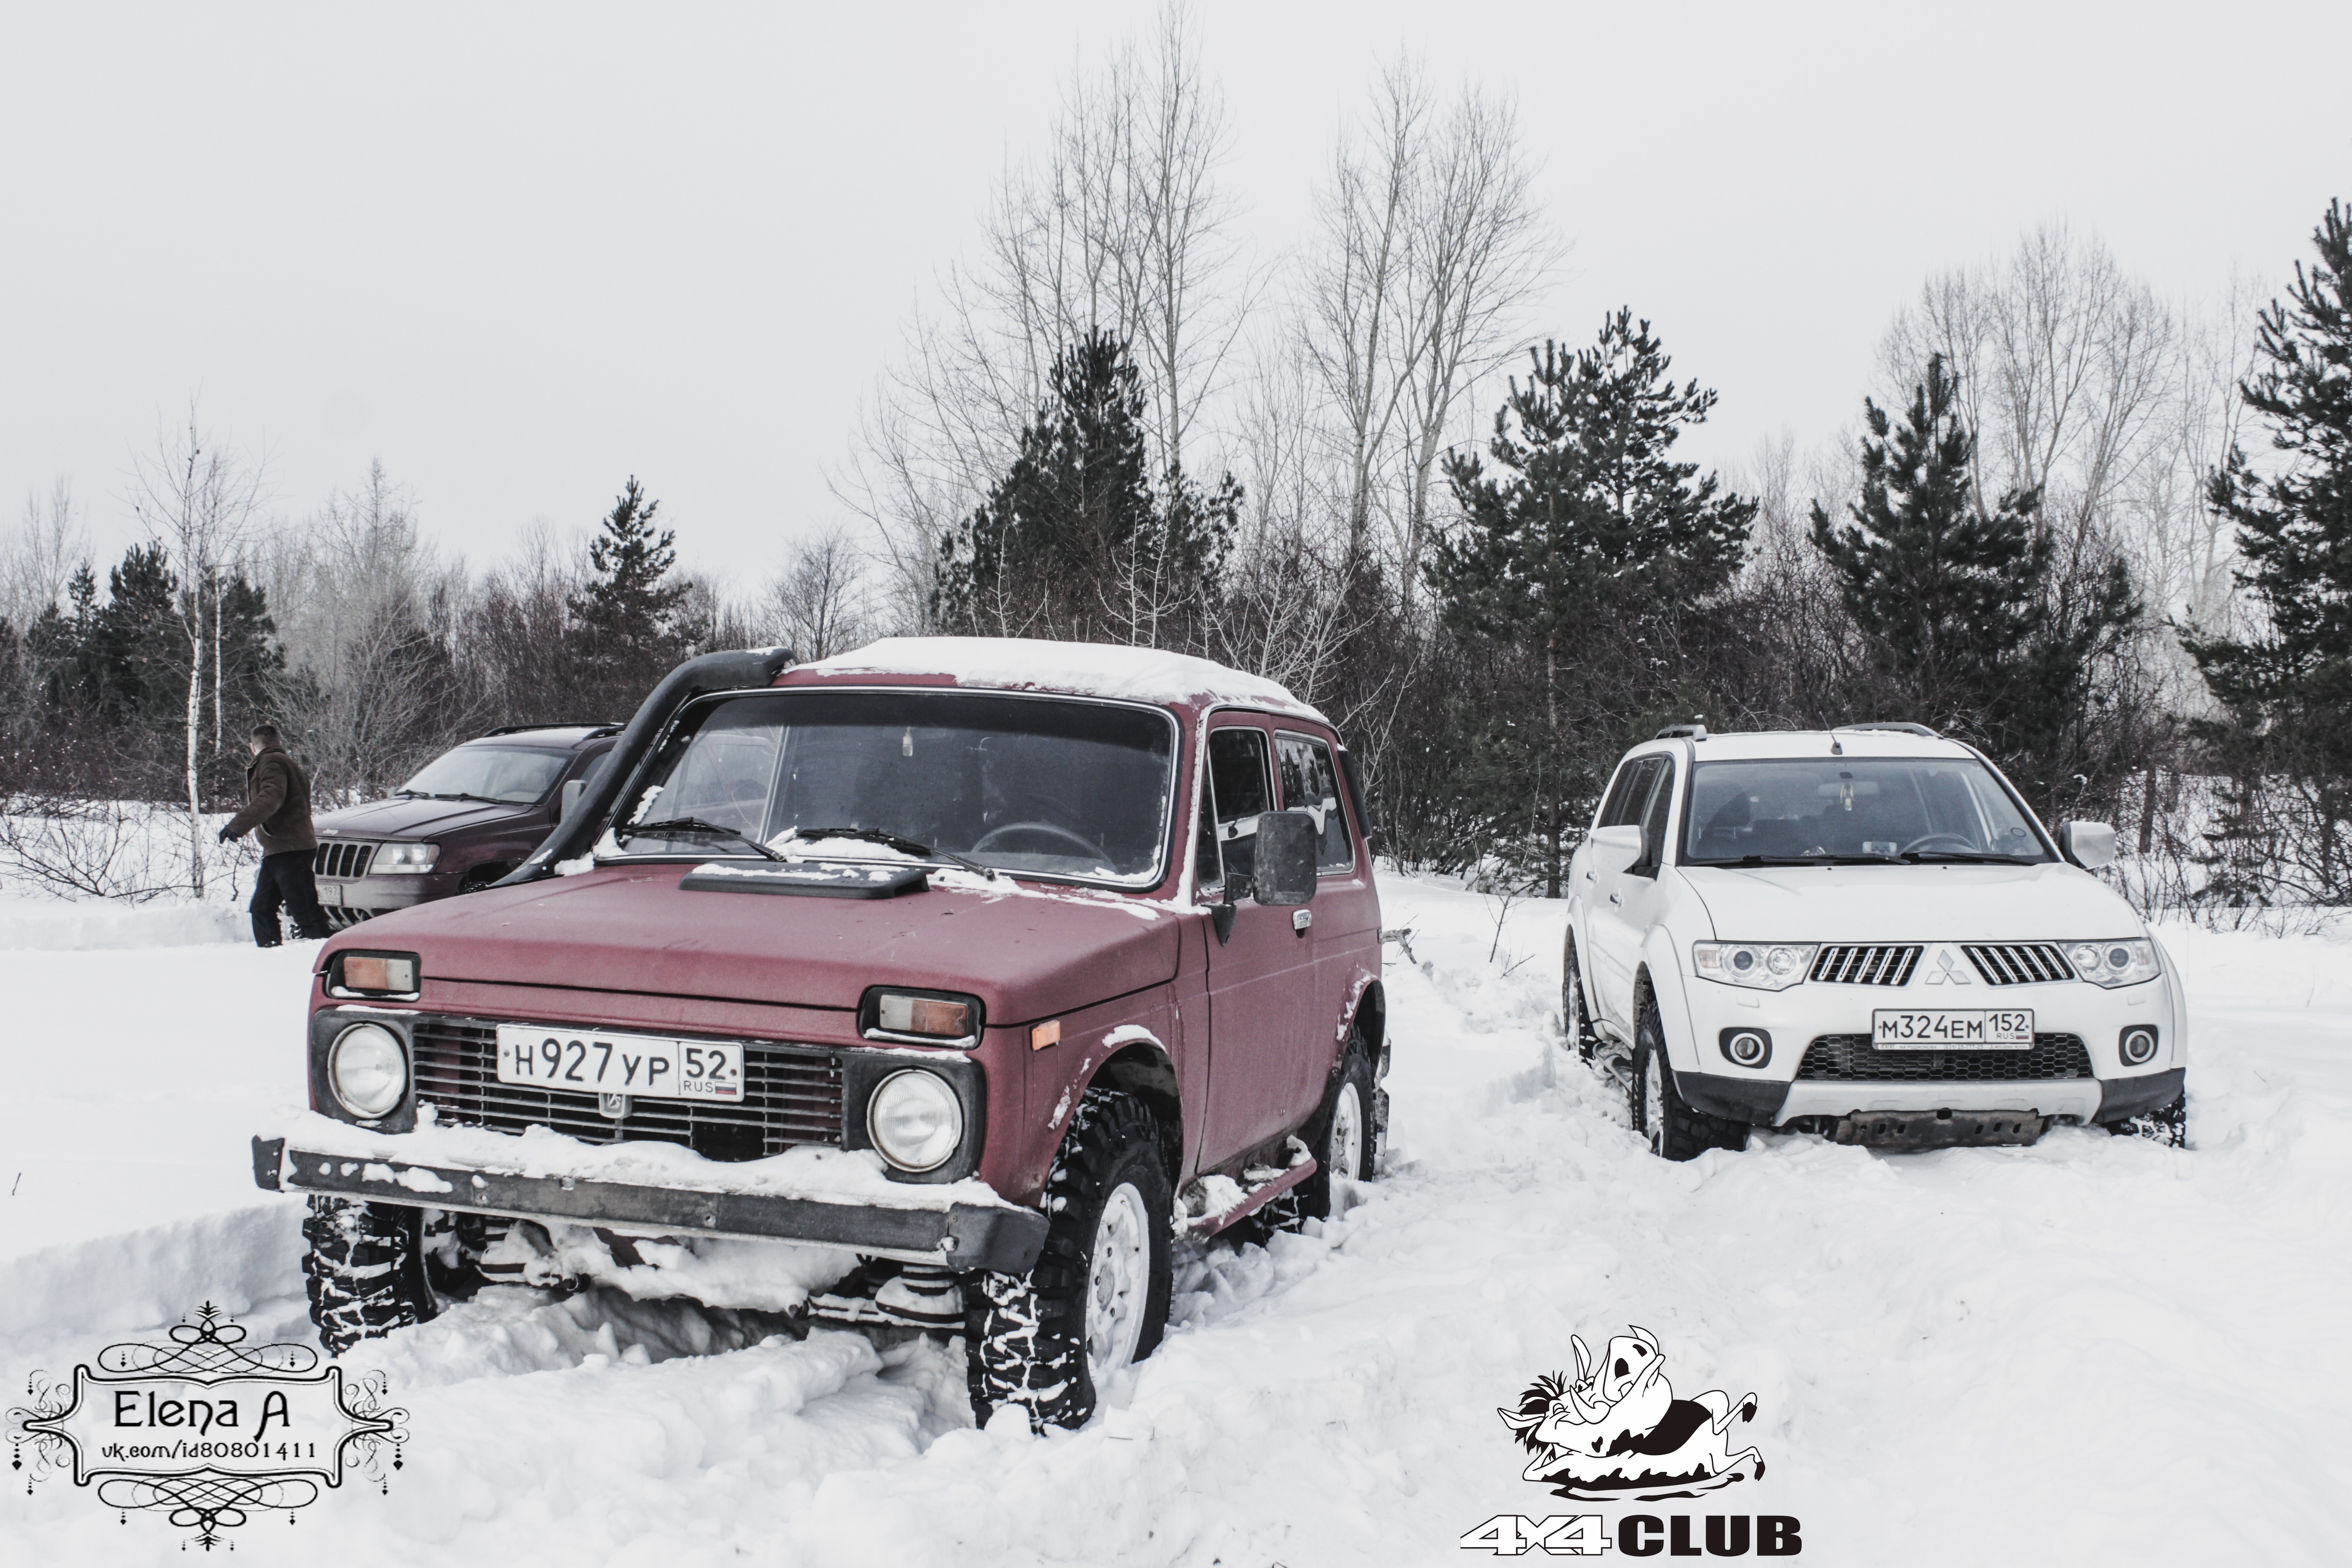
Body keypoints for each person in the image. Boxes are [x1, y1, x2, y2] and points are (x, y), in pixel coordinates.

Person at [219, 724, 331, 946]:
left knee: (306, 913)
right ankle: (270, 956)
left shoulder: (271, 762)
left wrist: (237, 825)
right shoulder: (284, 762)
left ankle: (327, 958)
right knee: (261, 909)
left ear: (252, 747)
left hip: (291, 849)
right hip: (279, 849)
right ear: (279, 742)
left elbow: (271, 798)